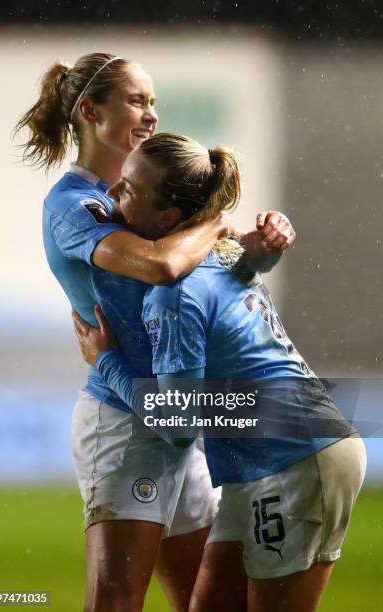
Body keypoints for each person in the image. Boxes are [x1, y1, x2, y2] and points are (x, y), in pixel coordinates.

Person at [15, 53, 296, 611]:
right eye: (138, 100)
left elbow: (209, 266)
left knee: (213, 600)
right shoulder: (72, 206)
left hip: (179, 414)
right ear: (91, 111)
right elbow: (161, 265)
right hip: (123, 420)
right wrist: (215, 220)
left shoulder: (147, 190)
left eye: (154, 102)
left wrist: (259, 250)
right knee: (118, 600)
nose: (151, 114)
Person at [72, 132, 367, 612]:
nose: (111, 195)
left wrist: (105, 360)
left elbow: (178, 422)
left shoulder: (173, 295)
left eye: (127, 189)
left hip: (298, 459)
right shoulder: (218, 254)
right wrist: (268, 248)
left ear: (167, 217)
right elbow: (247, 266)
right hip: (272, 455)